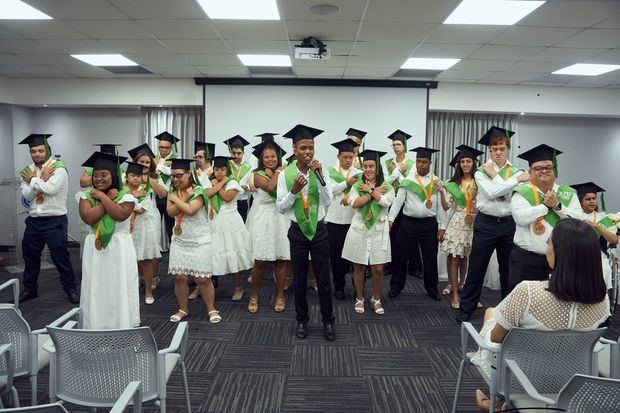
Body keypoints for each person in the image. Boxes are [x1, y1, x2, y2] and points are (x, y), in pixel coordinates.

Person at [470, 218, 609, 412]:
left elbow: (495, 338)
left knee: (490, 313)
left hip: (519, 377)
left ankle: (498, 400)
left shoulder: (528, 292)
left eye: (549, 243)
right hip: (570, 379)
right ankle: (500, 405)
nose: (546, 248)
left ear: (562, 253)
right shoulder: (602, 299)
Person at [457, 127, 529, 323]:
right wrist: (513, 182)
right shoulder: (481, 171)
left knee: (508, 270)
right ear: (489, 150)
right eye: (494, 148)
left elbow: (515, 194)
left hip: (509, 225)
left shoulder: (516, 171)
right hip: (486, 224)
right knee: (476, 268)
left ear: (507, 149)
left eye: (502, 148)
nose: (498, 152)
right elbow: (491, 193)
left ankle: (508, 314)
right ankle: (466, 310)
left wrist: (505, 185)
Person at [277, 124, 336, 341]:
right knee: (300, 279)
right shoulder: (285, 175)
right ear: (294, 149)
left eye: (311, 147)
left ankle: (328, 321)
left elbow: (329, 201)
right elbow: (281, 208)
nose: (308, 152)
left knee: (323, 279)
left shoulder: (322, 171)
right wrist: (293, 192)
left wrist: (319, 178)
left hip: (319, 230)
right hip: (298, 232)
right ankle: (302, 320)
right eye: (303, 148)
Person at [509, 144, 583, 294]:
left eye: (548, 167)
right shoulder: (521, 192)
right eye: (538, 168)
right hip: (526, 260)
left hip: (561, 260)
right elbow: (521, 219)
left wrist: (557, 206)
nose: (544, 171)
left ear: (554, 170)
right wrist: (545, 206)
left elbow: (579, 220)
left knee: (559, 300)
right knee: (521, 301)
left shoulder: (567, 193)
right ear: (530, 172)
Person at [78, 151, 139, 329]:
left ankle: (121, 326)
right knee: (96, 288)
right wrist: (107, 199)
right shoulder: (85, 196)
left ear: (113, 175)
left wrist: (104, 198)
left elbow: (120, 214)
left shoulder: (127, 196)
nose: (98, 179)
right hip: (95, 249)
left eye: (104, 175)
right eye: (95, 175)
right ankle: (95, 327)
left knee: (118, 288)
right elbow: (89, 218)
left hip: (119, 248)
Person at [18, 134, 79, 303]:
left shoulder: (58, 168)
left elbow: (51, 189)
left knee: (61, 257)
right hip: (34, 221)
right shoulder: (26, 171)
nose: (37, 154)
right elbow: (28, 195)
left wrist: (34, 180)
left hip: (55, 221)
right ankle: (30, 289)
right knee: (30, 256)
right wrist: (40, 179)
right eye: (33, 151)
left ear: (47, 150)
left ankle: (70, 289)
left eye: (40, 150)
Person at [388, 146, 448, 301]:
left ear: (430, 163)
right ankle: (396, 286)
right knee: (400, 256)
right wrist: (391, 219)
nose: (421, 164)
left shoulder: (437, 182)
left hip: (429, 225)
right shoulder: (408, 181)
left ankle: (432, 288)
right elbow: (398, 201)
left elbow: (441, 206)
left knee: (430, 258)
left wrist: (442, 226)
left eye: (424, 162)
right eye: (419, 161)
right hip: (408, 223)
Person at [166, 158, 220, 323]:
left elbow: (190, 210)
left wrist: (175, 199)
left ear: (189, 174)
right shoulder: (174, 192)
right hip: (180, 241)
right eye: (173, 176)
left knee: (202, 279)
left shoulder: (199, 191)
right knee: (180, 277)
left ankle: (211, 309)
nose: (176, 179)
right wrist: (179, 199)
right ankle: (183, 309)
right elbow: (170, 212)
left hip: (200, 241)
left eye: (179, 175)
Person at [342, 149, 394, 314]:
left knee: (378, 269)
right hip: (360, 229)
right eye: (366, 166)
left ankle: (376, 299)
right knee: (359, 267)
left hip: (379, 231)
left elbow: (386, 202)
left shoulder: (387, 187)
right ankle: (359, 298)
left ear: (377, 168)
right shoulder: (357, 185)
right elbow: (355, 203)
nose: (368, 169)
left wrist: (371, 191)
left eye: (371, 166)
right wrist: (372, 194)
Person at [247, 139, 291, 313]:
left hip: (281, 218)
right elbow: (271, 187)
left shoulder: (285, 173)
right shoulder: (257, 175)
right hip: (264, 218)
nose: (271, 159)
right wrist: (279, 171)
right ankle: (254, 296)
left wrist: (280, 172)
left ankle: (280, 295)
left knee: (280, 261)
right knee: (260, 261)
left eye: (273, 156)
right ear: (261, 159)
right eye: (267, 157)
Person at [440, 145, 484, 309]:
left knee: (466, 258)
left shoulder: (480, 182)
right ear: (459, 164)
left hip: (474, 223)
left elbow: (485, 204)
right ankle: (456, 296)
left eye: (468, 161)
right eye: (462, 161)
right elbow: (446, 207)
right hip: (457, 223)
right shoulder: (453, 183)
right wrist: (441, 193)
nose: (465, 164)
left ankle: (463, 287)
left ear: (474, 163)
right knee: (454, 259)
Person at [208, 153, 253, 300]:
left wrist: (217, 185)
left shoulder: (233, 182)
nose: (219, 172)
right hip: (214, 222)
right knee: (211, 255)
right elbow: (207, 194)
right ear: (214, 170)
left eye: (222, 169)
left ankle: (238, 287)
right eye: (217, 169)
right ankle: (203, 286)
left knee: (233, 254)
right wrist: (218, 184)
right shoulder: (211, 182)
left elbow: (227, 197)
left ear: (227, 170)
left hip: (230, 224)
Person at [325, 138, 362, 300]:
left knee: (355, 257)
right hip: (335, 221)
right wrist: (345, 183)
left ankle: (357, 288)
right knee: (336, 258)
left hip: (354, 220)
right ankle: (339, 287)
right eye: (345, 157)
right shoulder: (329, 171)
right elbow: (328, 191)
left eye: (350, 157)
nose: (348, 160)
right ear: (338, 156)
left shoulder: (358, 173)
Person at [384, 129, 423, 279]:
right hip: (392, 203)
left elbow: (408, 183)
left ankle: (415, 267)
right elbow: (386, 183)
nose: (395, 147)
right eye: (393, 144)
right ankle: (392, 265)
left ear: (404, 146)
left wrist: (397, 174)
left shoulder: (413, 164)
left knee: (411, 237)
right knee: (392, 235)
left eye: (398, 144)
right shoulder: (388, 163)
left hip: (408, 204)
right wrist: (399, 170)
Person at [572, 182, 619, 290]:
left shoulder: (602, 218)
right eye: (588, 199)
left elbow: (614, 240)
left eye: (594, 198)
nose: (592, 201)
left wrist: (597, 227)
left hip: (597, 256)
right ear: (581, 201)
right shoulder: (574, 217)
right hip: (575, 255)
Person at [154, 131, 180, 243]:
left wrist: (159, 166)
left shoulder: (177, 158)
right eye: (161, 147)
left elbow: (171, 173)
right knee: (155, 226)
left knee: (171, 226)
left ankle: (172, 251)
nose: (163, 150)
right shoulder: (153, 159)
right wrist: (162, 165)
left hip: (171, 198)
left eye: (166, 147)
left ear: (171, 148)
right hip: (155, 197)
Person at [224, 135, 252, 222]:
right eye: (233, 153)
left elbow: (251, 182)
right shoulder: (226, 165)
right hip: (229, 201)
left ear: (243, 153)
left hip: (242, 200)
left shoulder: (249, 167)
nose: (236, 156)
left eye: (239, 153)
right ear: (230, 152)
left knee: (242, 225)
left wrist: (247, 186)